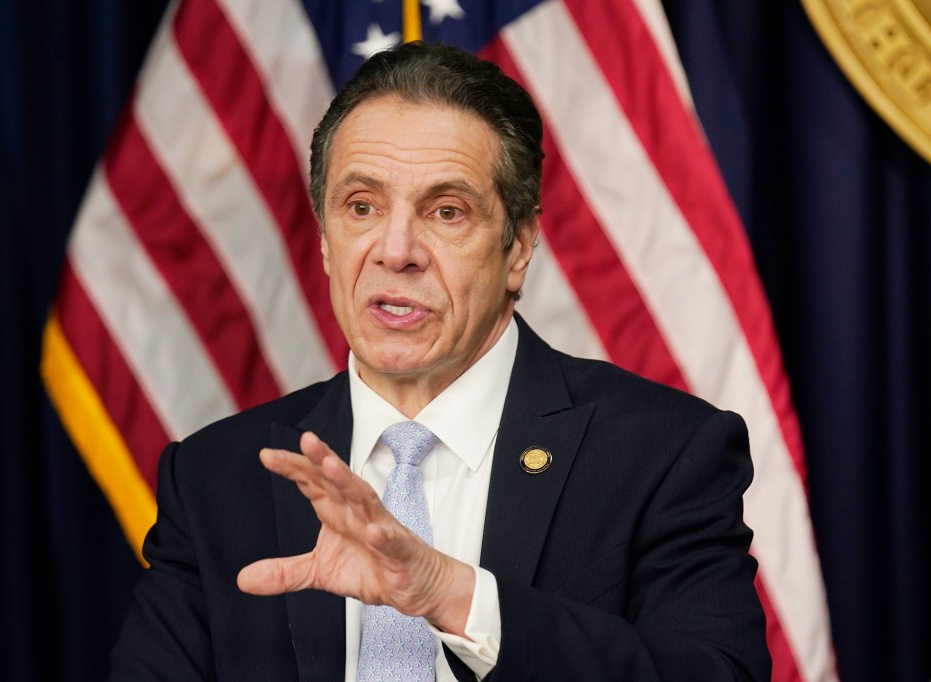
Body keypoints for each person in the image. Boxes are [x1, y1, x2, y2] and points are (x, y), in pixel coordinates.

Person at [108, 41, 770, 680]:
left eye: (446, 211)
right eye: (361, 206)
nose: (396, 250)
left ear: (518, 247)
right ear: (326, 243)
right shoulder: (215, 479)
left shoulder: (663, 454)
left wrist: (452, 596)